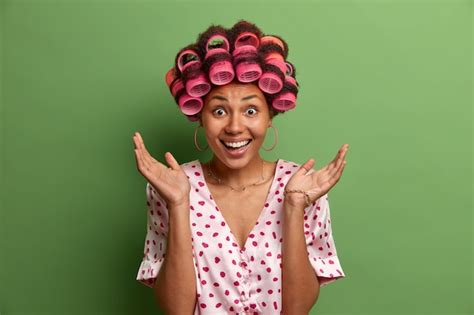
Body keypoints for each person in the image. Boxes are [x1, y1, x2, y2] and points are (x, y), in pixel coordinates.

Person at [133, 20, 349, 315]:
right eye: (219, 110)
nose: (235, 127)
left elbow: (297, 311)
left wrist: (294, 206)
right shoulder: (171, 187)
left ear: (270, 115)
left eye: (251, 110)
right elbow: (177, 311)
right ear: (200, 116)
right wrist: (178, 204)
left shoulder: (301, 186)